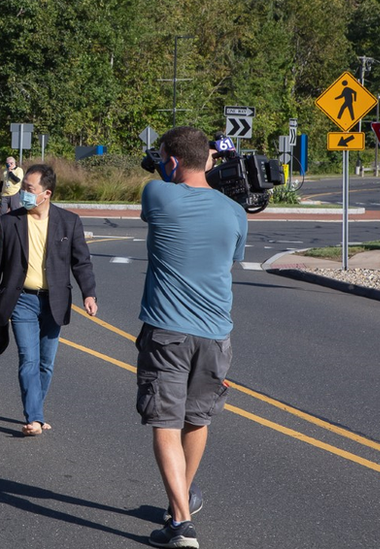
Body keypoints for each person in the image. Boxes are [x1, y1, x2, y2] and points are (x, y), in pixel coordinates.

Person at [135, 127, 247, 549]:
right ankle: (181, 499)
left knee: (165, 421)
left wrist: (165, 168)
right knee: (196, 418)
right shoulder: (234, 211)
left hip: (167, 331)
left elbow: (163, 187)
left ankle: (181, 523)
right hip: (217, 334)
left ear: (172, 161)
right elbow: (230, 259)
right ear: (212, 160)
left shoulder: (157, 194)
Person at [0, 164, 98, 436]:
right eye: (23, 188)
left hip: (54, 302)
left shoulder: (69, 221)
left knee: (46, 363)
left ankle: (37, 409)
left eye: (29, 189)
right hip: (21, 299)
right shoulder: (9, 222)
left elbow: (81, 262)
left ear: (46, 193)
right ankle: (33, 417)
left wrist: (89, 293)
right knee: (28, 359)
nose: (24, 193)